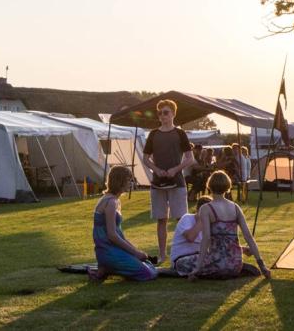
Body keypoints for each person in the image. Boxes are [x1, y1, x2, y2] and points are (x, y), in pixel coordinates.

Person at [188, 171, 271, 280]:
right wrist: (262, 266)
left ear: (209, 186)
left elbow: (206, 238)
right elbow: (249, 237)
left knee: (182, 263)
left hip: (217, 264)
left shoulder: (206, 209)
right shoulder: (236, 208)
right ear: (228, 186)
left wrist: (198, 268)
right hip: (235, 264)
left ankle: (199, 272)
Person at [142, 99, 197, 264]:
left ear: (173, 113)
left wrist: (175, 169)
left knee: (181, 219)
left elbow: (190, 158)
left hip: (177, 182)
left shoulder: (180, 134)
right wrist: (156, 169)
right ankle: (162, 255)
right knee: (161, 219)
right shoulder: (153, 134)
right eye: (160, 113)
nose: (162, 116)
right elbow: (145, 158)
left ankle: (183, 252)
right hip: (157, 183)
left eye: (165, 112)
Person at [90, 165, 157, 283]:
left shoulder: (114, 200)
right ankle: (108, 267)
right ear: (119, 181)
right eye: (128, 180)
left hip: (111, 249)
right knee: (148, 273)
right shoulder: (110, 202)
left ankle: (106, 269)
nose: (130, 183)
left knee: (146, 262)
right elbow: (112, 235)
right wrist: (135, 252)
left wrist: (136, 251)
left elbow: (119, 235)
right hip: (107, 251)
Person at [171, 195, 213, 276]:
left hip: (199, 257)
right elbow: (190, 238)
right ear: (198, 210)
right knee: (212, 263)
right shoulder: (186, 218)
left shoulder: (210, 224)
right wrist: (202, 220)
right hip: (181, 259)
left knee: (219, 259)